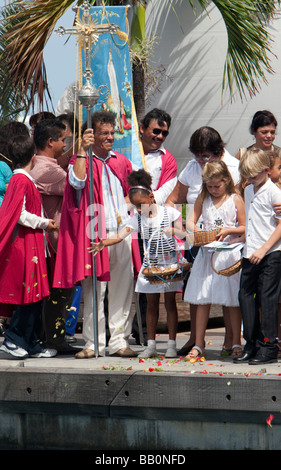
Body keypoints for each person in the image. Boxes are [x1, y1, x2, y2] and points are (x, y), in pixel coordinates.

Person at [53, 110, 141, 358]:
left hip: (121, 233)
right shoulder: (79, 160)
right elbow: (77, 182)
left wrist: (129, 211)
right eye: (104, 133)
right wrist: (82, 149)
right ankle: (93, 343)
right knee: (94, 291)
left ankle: (119, 341)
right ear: (91, 134)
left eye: (112, 132)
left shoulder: (121, 161)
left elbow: (136, 193)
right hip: (95, 234)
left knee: (122, 291)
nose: (110, 137)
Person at [90, 169, 187, 358]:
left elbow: (184, 234)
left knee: (169, 304)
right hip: (151, 266)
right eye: (135, 207)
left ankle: (172, 344)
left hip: (169, 264)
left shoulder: (169, 212)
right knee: (150, 304)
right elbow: (120, 235)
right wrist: (104, 243)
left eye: (141, 205)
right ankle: (151, 345)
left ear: (151, 197)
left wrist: (173, 231)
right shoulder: (137, 218)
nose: (139, 210)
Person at [166, 126, 240, 356]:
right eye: (196, 155)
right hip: (200, 243)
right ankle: (197, 341)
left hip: (228, 245)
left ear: (219, 151)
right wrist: (186, 228)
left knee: (229, 295)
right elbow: (171, 200)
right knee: (200, 292)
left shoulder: (236, 169)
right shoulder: (191, 169)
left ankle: (232, 341)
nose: (199, 160)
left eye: (205, 156)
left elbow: (241, 209)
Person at [0, 135, 57, 358]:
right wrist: (45, 223)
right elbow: (20, 214)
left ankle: (31, 342)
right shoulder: (21, 181)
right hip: (25, 247)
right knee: (28, 296)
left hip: (32, 246)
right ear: (33, 157)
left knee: (34, 296)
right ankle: (13, 338)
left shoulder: (20, 180)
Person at [183, 161, 245, 359]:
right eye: (210, 186)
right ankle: (199, 343)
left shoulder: (235, 199)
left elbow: (244, 226)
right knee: (202, 298)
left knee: (231, 300)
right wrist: (199, 230)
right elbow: (190, 221)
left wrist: (229, 230)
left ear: (226, 181)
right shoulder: (203, 198)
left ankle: (236, 341)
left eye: (217, 186)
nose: (214, 190)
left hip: (227, 254)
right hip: (207, 253)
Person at [30, 118, 78, 354]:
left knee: (59, 294)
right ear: (50, 142)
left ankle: (52, 338)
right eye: (63, 140)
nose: (65, 144)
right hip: (54, 243)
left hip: (53, 242)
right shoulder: (47, 170)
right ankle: (54, 340)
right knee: (58, 295)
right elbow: (78, 185)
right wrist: (82, 155)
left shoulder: (41, 166)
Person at [133, 108, 178, 345]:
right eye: (156, 131)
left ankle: (142, 334)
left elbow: (164, 191)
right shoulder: (127, 151)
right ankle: (112, 334)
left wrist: (143, 203)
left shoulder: (167, 159)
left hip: (151, 225)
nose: (160, 136)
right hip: (126, 220)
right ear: (142, 128)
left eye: (164, 133)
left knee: (146, 278)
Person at [234, 148, 281, 365]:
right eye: (247, 176)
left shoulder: (274, 192)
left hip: (270, 253)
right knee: (245, 296)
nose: (250, 180)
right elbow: (252, 222)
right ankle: (251, 343)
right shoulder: (249, 190)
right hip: (250, 252)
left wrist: (264, 249)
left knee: (267, 299)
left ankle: (268, 346)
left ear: (266, 170)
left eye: (254, 175)